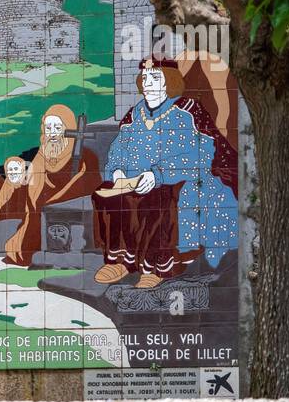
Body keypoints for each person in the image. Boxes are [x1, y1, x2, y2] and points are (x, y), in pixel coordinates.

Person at [90, 55, 238, 290]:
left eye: (155, 77)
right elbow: (118, 149)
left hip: (178, 178)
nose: (148, 83)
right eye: (145, 77)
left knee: (157, 199)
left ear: (169, 81)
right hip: (133, 180)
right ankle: (119, 261)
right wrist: (117, 171)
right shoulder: (134, 114)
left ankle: (154, 266)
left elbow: (201, 154)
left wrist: (157, 175)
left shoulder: (189, 110)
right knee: (105, 193)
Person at [4, 104, 101, 265]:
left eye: (58, 126)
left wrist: (58, 200)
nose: (53, 132)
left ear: (68, 128)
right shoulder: (41, 157)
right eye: (49, 127)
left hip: (73, 208)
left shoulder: (87, 157)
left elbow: (90, 185)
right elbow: (32, 188)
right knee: (22, 247)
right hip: (41, 209)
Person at [0, 156, 30, 221]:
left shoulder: (28, 189)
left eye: (16, 169)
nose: (13, 172)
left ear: (22, 170)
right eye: (10, 170)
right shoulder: (4, 191)